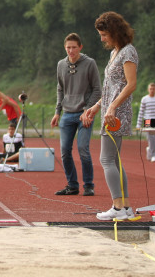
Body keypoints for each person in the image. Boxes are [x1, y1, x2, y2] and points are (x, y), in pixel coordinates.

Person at [85, 12, 138, 221]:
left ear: (115, 32)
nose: (102, 39)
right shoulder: (115, 52)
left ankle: (118, 207)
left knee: (106, 159)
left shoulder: (128, 52)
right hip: (109, 110)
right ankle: (125, 206)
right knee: (114, 160)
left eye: (104, 34)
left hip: (117, 113)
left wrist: (113, 107)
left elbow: (131, 84)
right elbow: (110, 87)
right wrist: (97, 106)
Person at [51, 33, 101, 197]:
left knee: (83, 149)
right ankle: (72, 185)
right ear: (64, 48)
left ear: (80, 47)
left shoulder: (90, 63)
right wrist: (57, 112)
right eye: (68, 47)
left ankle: (88, 185)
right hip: (67, 113)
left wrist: (88, 110)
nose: (71, 51)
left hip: (84, 114)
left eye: (74, 47)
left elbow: (97, 90)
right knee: (65, 151)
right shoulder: (61, 64)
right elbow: (60, 89)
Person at [135, 83, 155, 162]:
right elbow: (141, 112)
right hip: (148, 120)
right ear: (148, 90)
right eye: (150, 89)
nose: (152, 90)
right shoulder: (144, 99)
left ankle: (150, 148)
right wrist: (138, 124)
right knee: (151, 138)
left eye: (153, 89)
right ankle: (153, 155)